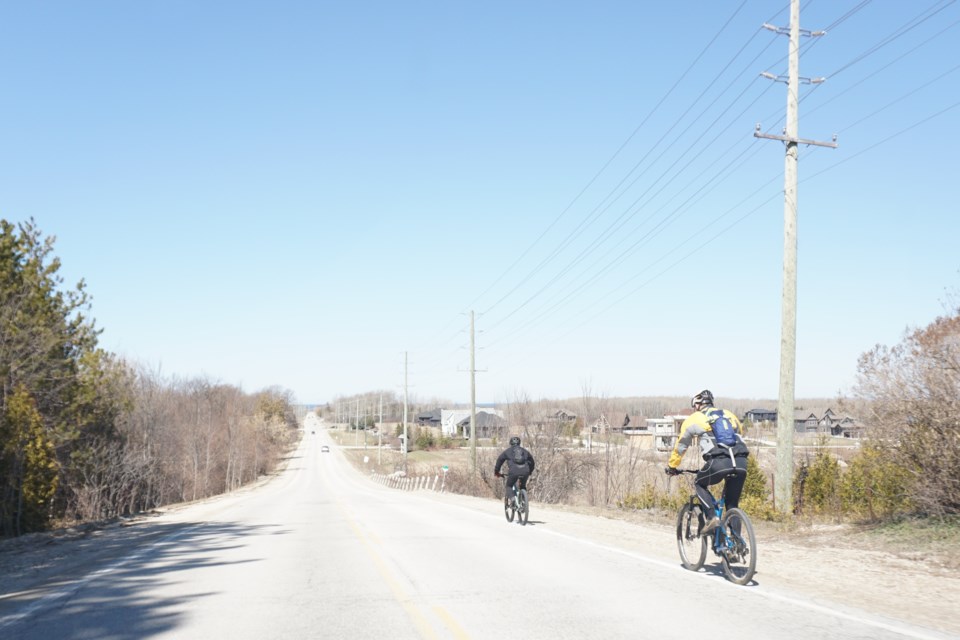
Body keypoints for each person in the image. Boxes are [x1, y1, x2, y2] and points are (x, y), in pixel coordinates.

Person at [665, 389, 750, 535]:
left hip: (718, 462)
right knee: (732, 504)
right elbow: (739, 433)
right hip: (741, 462)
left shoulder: (695, 418)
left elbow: (681, 445)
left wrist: (672, 466)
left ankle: (711, 517)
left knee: (699, 483)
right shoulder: (728, 414)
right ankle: (736, 546)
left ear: (697, 404)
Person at [494, 436, 535, 506]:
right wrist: (530, 471)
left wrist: (496, 472)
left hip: (514, 471)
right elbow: (532, 462)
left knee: (509, 486)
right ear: (519, 443)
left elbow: (499, 460)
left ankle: (512, 499)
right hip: (525, 470)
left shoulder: (507, 451)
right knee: (522, 486)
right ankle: (523, 503)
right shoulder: (525, 451)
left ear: (510, 443)